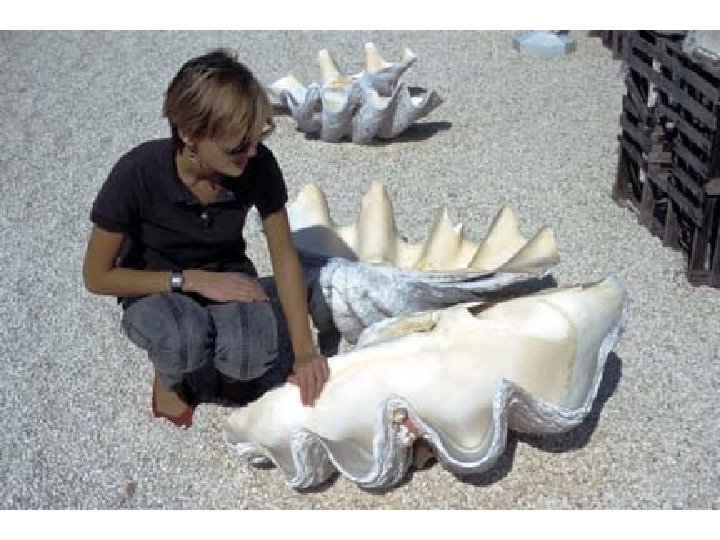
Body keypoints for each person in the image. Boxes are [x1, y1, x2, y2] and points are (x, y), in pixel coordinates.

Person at [82, 49, 329, 428]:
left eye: (258, 137)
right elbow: (97, 276)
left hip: (228, 273)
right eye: (237, 146)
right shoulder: (137, 172)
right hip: (154, 285)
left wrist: (305, 352)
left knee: (252, 357)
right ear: (189, 134)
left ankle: (224, 371)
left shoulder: (258, 164)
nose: (252, 152)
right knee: (182, 342)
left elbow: (283, 255)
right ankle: (171, 376)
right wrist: (191, 280)